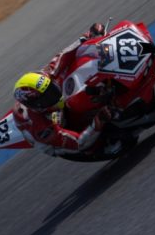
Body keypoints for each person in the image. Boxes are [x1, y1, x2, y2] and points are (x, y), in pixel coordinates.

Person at [11, 23, 109, 155]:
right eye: (47, 96)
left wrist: (89, 36)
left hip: (49, 109)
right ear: (38, 105)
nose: (53, 94)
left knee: (73, 67)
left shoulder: (45, 77)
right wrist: (96, 124)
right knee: (92, 145)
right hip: (54, 138)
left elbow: (64, 55)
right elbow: (77, 142)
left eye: (51, 89)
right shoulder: (40, 127)